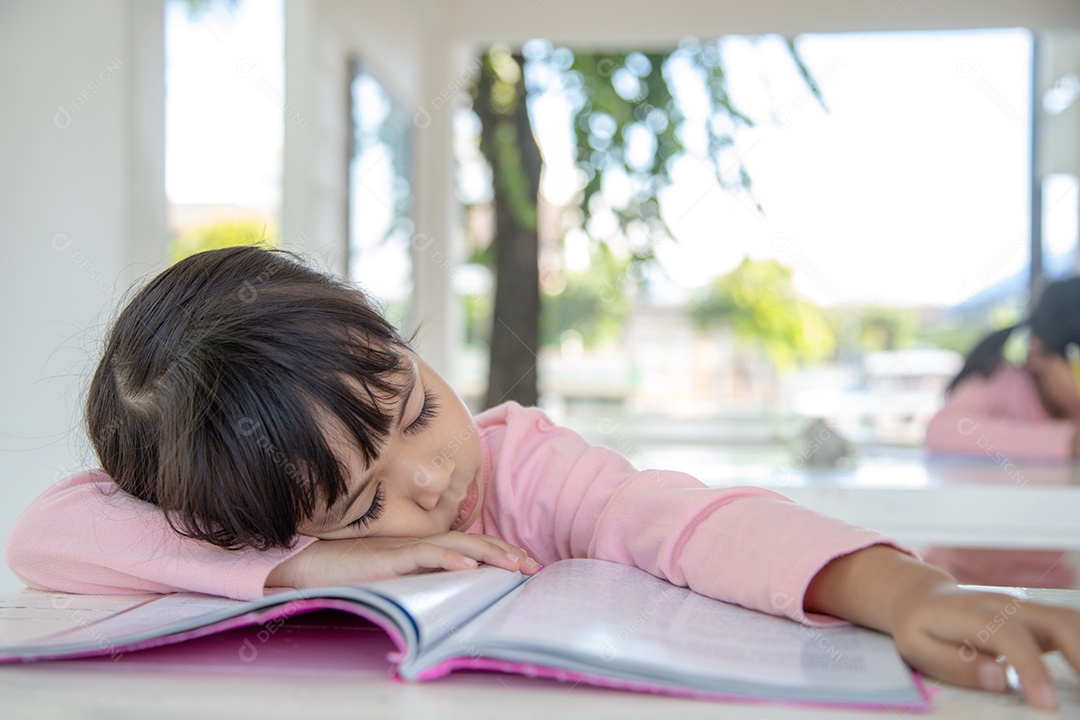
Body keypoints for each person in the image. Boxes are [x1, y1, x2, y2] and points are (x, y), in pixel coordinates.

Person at [6, 247, 1080, 711]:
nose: (433, 477)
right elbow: (49, 531)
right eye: (363, 503)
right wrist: (304, 566)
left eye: (417, 409)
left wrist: (903, 591)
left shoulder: (529, 465)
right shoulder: (261, 515)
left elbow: (687, 521)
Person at [923, 277, 1080, 589]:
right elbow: (942, 429)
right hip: (956, 581)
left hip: (1045, 583)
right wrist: (1066, 441)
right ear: (1037, 351)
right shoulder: (1003, 382)